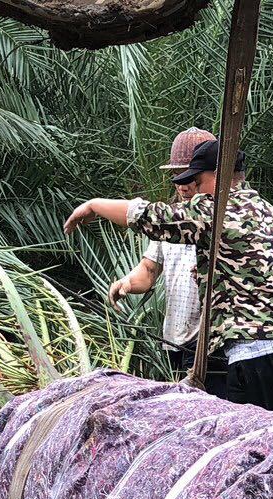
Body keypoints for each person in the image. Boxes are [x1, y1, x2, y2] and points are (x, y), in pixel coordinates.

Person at [63, 139, 273, 416]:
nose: (192, 188)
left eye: (197, 180)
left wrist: (94, 205)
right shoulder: (272, 214)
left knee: (252, 451)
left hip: (253, 358)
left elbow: (150, 216)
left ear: (217, 176)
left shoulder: (216, 208)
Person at [105, 128, 211, 376]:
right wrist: (127, 283)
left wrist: (95, 207)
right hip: (174, 339)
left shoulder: (224, 221)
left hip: (209, 342)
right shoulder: (168, 224)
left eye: (189, 176)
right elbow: (149, 270)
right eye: (177, 175)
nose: (183, 185)